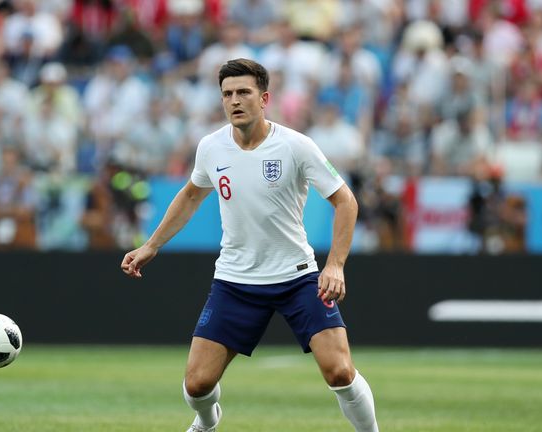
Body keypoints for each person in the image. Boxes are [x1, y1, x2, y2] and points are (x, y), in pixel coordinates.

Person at [121, 58, 379, 432]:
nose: (234, 101)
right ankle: (208, 422)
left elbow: (346, 201)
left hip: (297, 278)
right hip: (236, 281)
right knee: (196, 385)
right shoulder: (211, 147)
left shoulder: (295, 146)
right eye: (227, 94)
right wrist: (151, 245)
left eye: (243, 92)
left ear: (264, 99)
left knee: (339, 371)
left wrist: (335, 265)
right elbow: (192, 195)